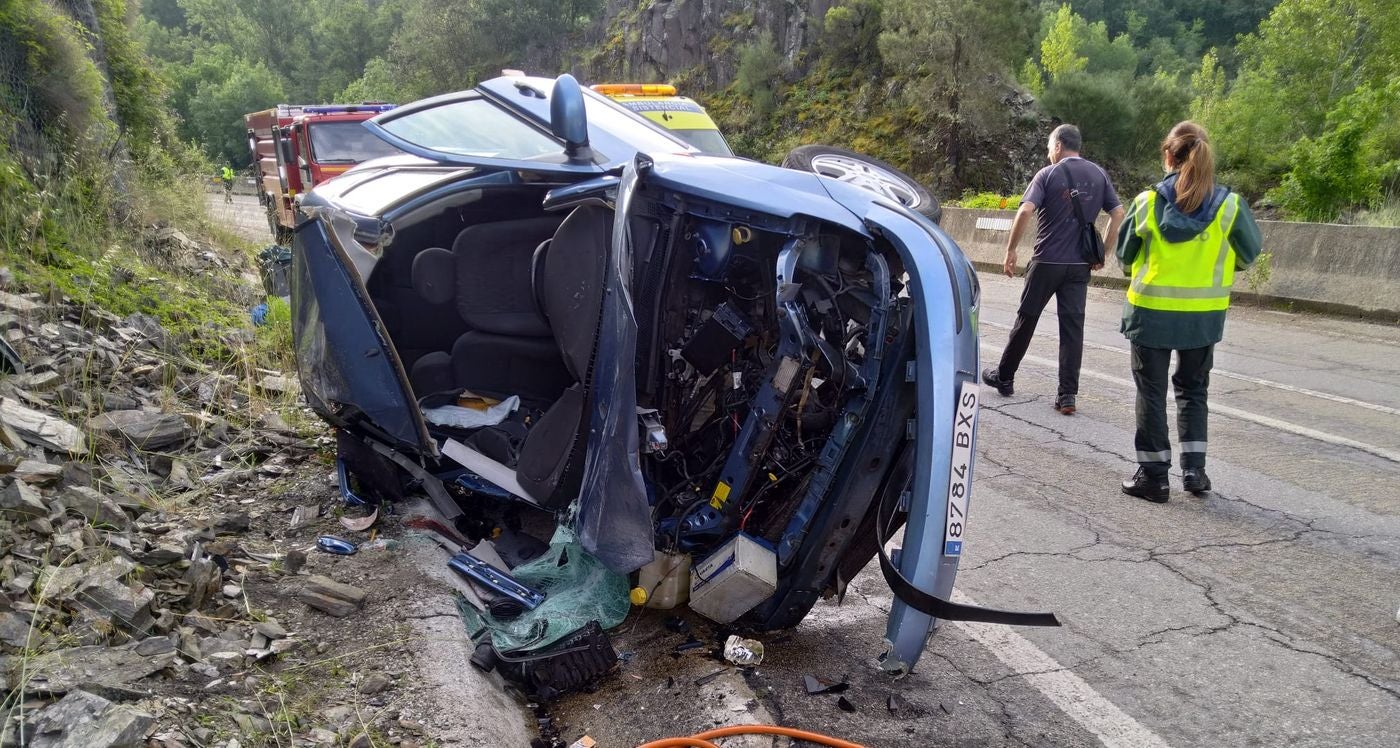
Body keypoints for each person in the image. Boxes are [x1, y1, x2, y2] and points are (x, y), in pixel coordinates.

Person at [1116, 121, 1262, 503]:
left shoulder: (1146, 202)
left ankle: (1154, 477)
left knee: (1151, 391)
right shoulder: (1230, 205)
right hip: (1203, 317)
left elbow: (1124, 258)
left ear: (1168, 155)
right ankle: (1194, 471)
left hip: (1150, 313)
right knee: (1194, 389)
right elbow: (1248, 255)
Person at [982, 124, 1125, 415]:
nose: (1049, 153)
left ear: (1058, 145)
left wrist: (1011, 250)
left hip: (1046, 261)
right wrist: (1103, 252)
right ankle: (1067, 396)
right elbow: (1118, 213)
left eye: (1050, 147)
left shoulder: (1048, 174)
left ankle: (1005, 378)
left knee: (1027, 319)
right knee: (1072, 330)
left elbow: (1024, 210)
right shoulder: (1099, 174)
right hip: (1078, 267)